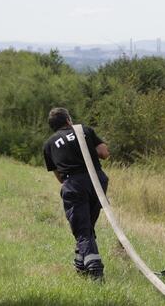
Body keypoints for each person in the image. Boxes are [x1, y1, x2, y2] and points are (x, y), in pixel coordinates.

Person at [43, 107, 110, 280]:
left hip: (73, 185)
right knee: (87, 228)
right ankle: (80, 264)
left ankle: (95, 271)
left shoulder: (49, 144)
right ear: (68, 120)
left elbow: (59, 176)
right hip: (98, 182)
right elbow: (104, 153)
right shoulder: (84, 131)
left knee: (83, 231)